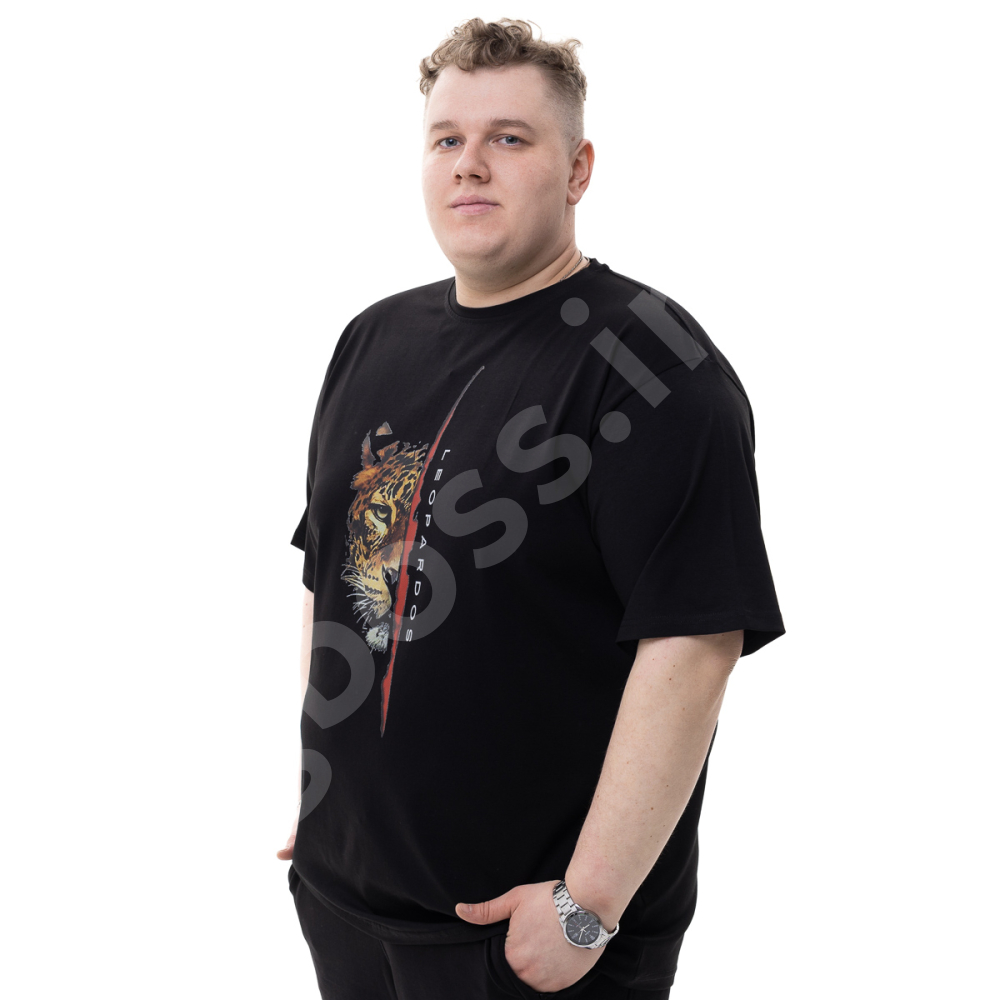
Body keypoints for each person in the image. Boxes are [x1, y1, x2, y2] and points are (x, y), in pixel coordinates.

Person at [278, 17, 785, 1000]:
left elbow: (693, 644)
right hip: (344, 903)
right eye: (447, 139)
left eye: (509, 138)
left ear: (577, 169)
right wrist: (323, 793)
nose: (470, 164)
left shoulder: (652, 366)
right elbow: (330, 577)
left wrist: (587, 904)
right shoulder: (371, 338)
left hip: (524, 941)